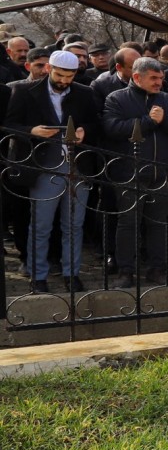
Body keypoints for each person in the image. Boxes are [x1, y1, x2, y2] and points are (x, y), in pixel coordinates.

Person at [3, 50, 99, 293]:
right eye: (60, 75)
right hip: (44, 166)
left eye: (70, 76)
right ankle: (38, 275)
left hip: (78, 167)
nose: (65, 81)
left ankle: (71, 274)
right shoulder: (25, 92)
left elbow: (96, 123)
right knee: (41, 225)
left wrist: (84, 132)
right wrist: (32, 131)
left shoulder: (84, 93)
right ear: (48, 69)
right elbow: (10, 125)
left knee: (73, 225)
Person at [102, 58, 168, 287]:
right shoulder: (117, 98)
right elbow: (112, 129)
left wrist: (164, 121)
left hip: (161, 172)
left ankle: (157, 269)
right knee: (128, 223)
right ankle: (126, 271)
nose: (159, 82)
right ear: (136, 77)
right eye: (153, 78)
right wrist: (148, 121)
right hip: (129, 172)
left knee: (158, 223)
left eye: (161, 78)